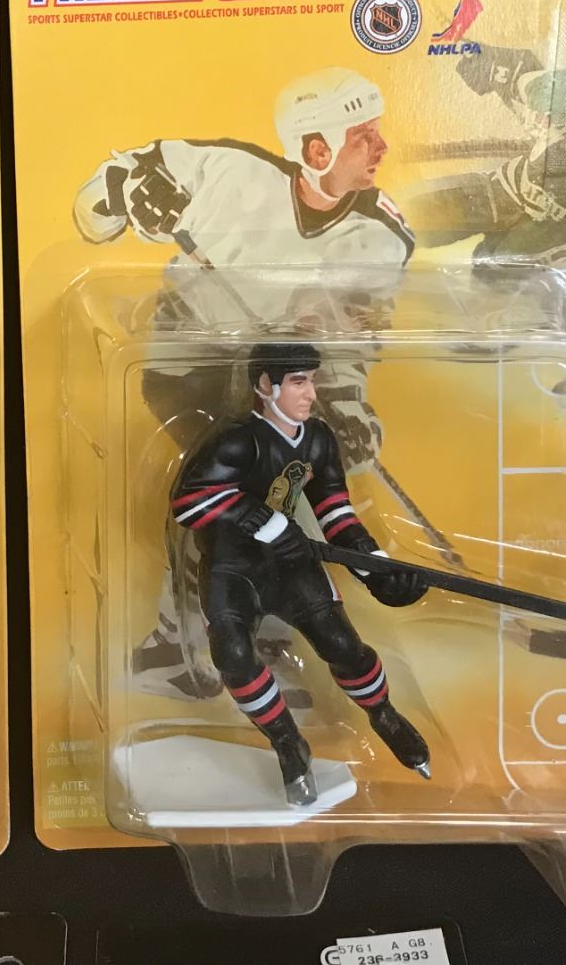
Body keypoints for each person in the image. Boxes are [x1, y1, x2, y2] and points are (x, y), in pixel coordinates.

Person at [73, 68, 416, 700]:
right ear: (317, 149)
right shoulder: (225, 171)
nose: (382, 147)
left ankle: (232, 628)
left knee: (276, 506)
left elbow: (353, 342)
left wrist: (345, 407)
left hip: (275, 380)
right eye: (364, 136)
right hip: (187, 367)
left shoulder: (381, 238)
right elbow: (91, 212)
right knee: (232, 505)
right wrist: (124, 193)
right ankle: (180, 640)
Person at [172, 342, 431, 805]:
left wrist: (374, 567)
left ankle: (384, 714)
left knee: (342, 644)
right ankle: (288, 743)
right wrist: (264, 521)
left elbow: (335, 511)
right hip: (232, 568)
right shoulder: (237, 439)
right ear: (264, 385)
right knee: (232, 653)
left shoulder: (318, 439)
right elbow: (189, 502)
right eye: (298, 382)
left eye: (311, 380)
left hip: (290, 564)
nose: (311, 393)